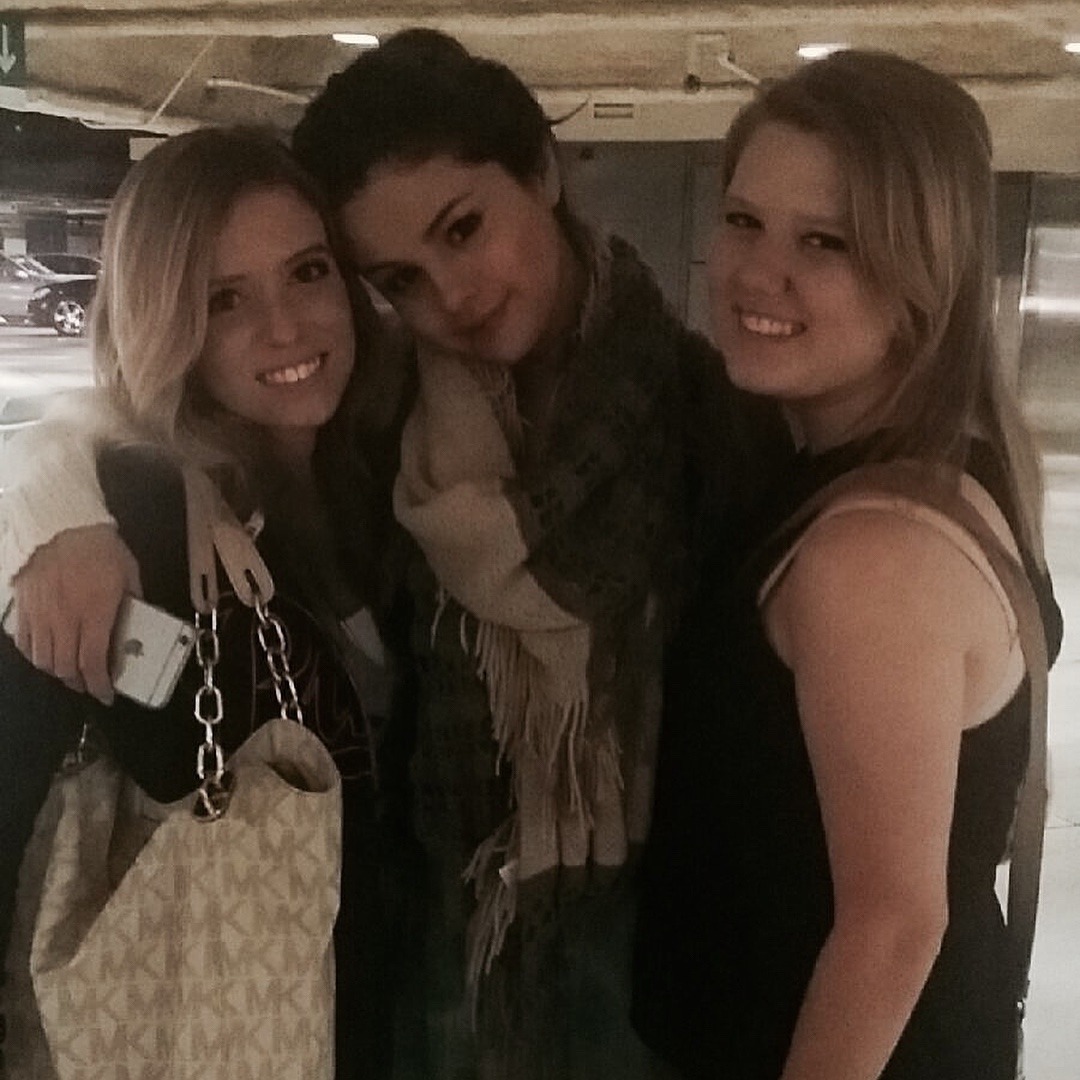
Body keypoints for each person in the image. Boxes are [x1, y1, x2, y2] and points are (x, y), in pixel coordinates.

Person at [1, 29, 789, 1079]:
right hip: (386, 988)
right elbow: (106, 436)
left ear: (544, 171)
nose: (450, 295)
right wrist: (43, 498)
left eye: (464, 229)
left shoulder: (689, 423)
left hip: (640, 974)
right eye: (401, 277)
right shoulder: (296, 463)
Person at [631, 49, 1063, 1080]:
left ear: (922, 276)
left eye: (825, 241)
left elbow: (892, 929)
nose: (757, 272)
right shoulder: (936, 465)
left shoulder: (873, 550)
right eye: (744, 220)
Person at [0, 126, 415, 1080]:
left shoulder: (374, 481)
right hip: (194, 1029)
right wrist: (38, 490)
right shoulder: (132, 519)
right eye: (224, 299)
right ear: (165, 322)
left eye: (307, 272)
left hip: (345, 1012)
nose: (287, 327)